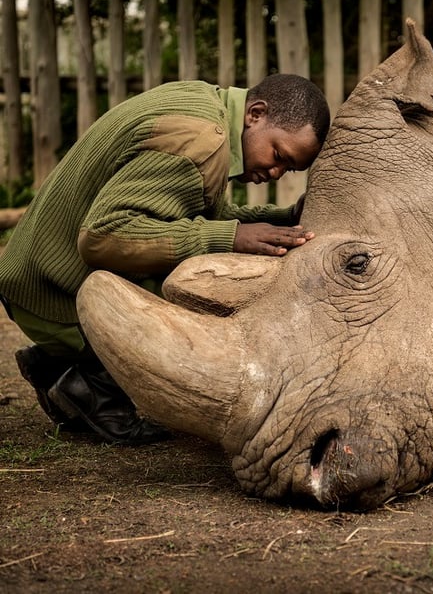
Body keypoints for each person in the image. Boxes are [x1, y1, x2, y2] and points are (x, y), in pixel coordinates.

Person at [0, 74, 331, 446]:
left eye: (289, 170)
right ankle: (88, 377)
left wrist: (282, 219)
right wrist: (230, 237)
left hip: (31, 275)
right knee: (199, 286)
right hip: (50, 295)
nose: (275, 172)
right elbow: (102, 237)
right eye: (278, 156)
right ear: (256, 113)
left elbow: (191, 215)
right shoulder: (200, 143)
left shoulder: (206, 106)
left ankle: (55, 363)